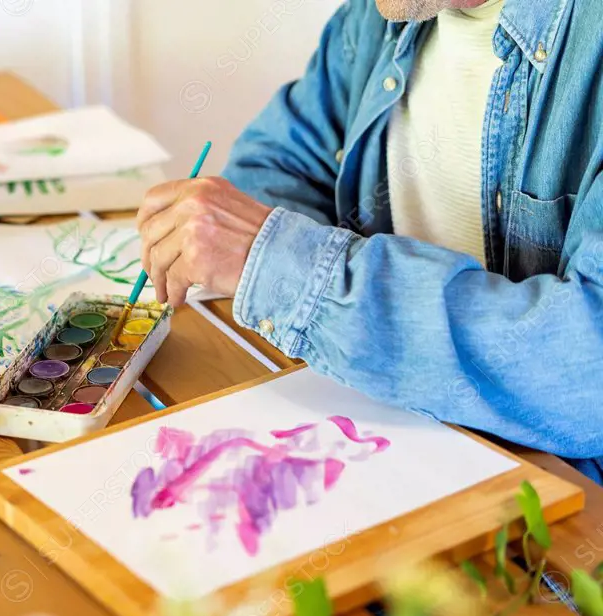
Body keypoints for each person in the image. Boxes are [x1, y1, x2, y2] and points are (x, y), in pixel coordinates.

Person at [136, 0, 603, 483]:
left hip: (554, 501)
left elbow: (588, 376)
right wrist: (258, 254)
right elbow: (277, 167)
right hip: (389, 445)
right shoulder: (380, 16)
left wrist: (292, 272)